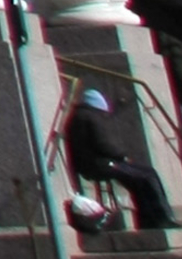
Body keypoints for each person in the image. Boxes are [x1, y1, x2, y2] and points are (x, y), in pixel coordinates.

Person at [65, 87, 173, 231]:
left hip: (90, 165)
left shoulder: (78, 117)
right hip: (103, 164)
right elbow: (103, 144)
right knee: (148, 175)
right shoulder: (91, 117)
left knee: (137, 180)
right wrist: (122, 155)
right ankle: (161, 218)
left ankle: (150, 220)